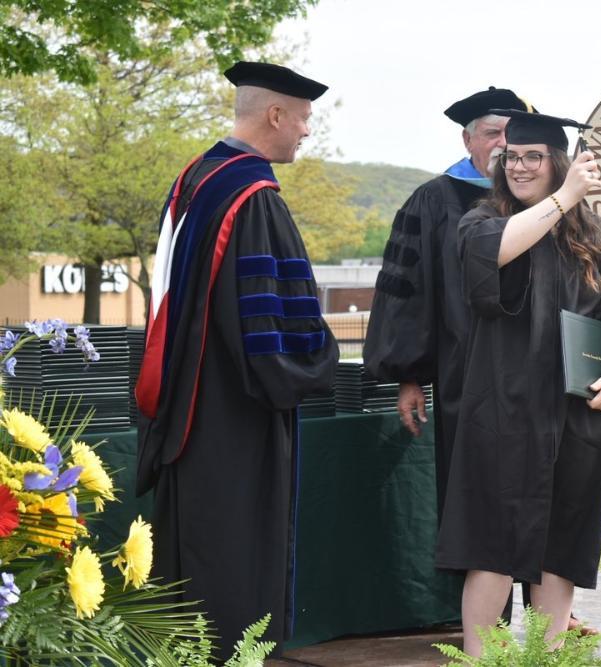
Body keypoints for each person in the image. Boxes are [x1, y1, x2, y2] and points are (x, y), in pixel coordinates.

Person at [134, 61, 340, 657]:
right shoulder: (253, 199)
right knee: (231, 560)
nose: (305, 132)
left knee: (189, 557)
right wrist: (313, 367)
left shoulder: (197, 177)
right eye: (302, 119)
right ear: (275, 114)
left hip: (186, 406)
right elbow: (269, 327)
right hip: (235, 415)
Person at [434, 109, 601, 656]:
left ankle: (547, 657)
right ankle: (481, 659)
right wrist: (564, 199)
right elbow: (494, 257)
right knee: (490, 544)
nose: (520, 166)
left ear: (556, 161)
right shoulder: (482, 223)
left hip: (577, 419)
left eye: (533, 156)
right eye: (511, 157)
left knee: (560, 547)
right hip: (502, 415)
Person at [363, 86, 530, 515]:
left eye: (514, 134)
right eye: (493, 133)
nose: (504, 144)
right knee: (476, 505)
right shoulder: (435, 200)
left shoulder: (545, 201)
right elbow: (407, 293)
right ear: (468, 140)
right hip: (465, 377)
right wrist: (409, 375)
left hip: (536, 378)